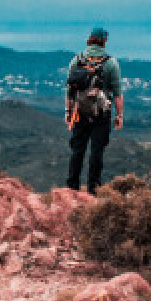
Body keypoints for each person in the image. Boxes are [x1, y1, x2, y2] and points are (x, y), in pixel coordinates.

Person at [65, 26, 123, 194]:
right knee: (97, 151)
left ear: (89, 39)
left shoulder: (77, 60)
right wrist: (119, 115)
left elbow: (70, 91)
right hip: (101, 114)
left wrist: (68, 113)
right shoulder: (110, 63)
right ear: (104, 40)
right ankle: (93, 190)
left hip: (80, 112)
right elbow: (117, 93)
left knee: (77, 150)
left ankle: (72, 187)